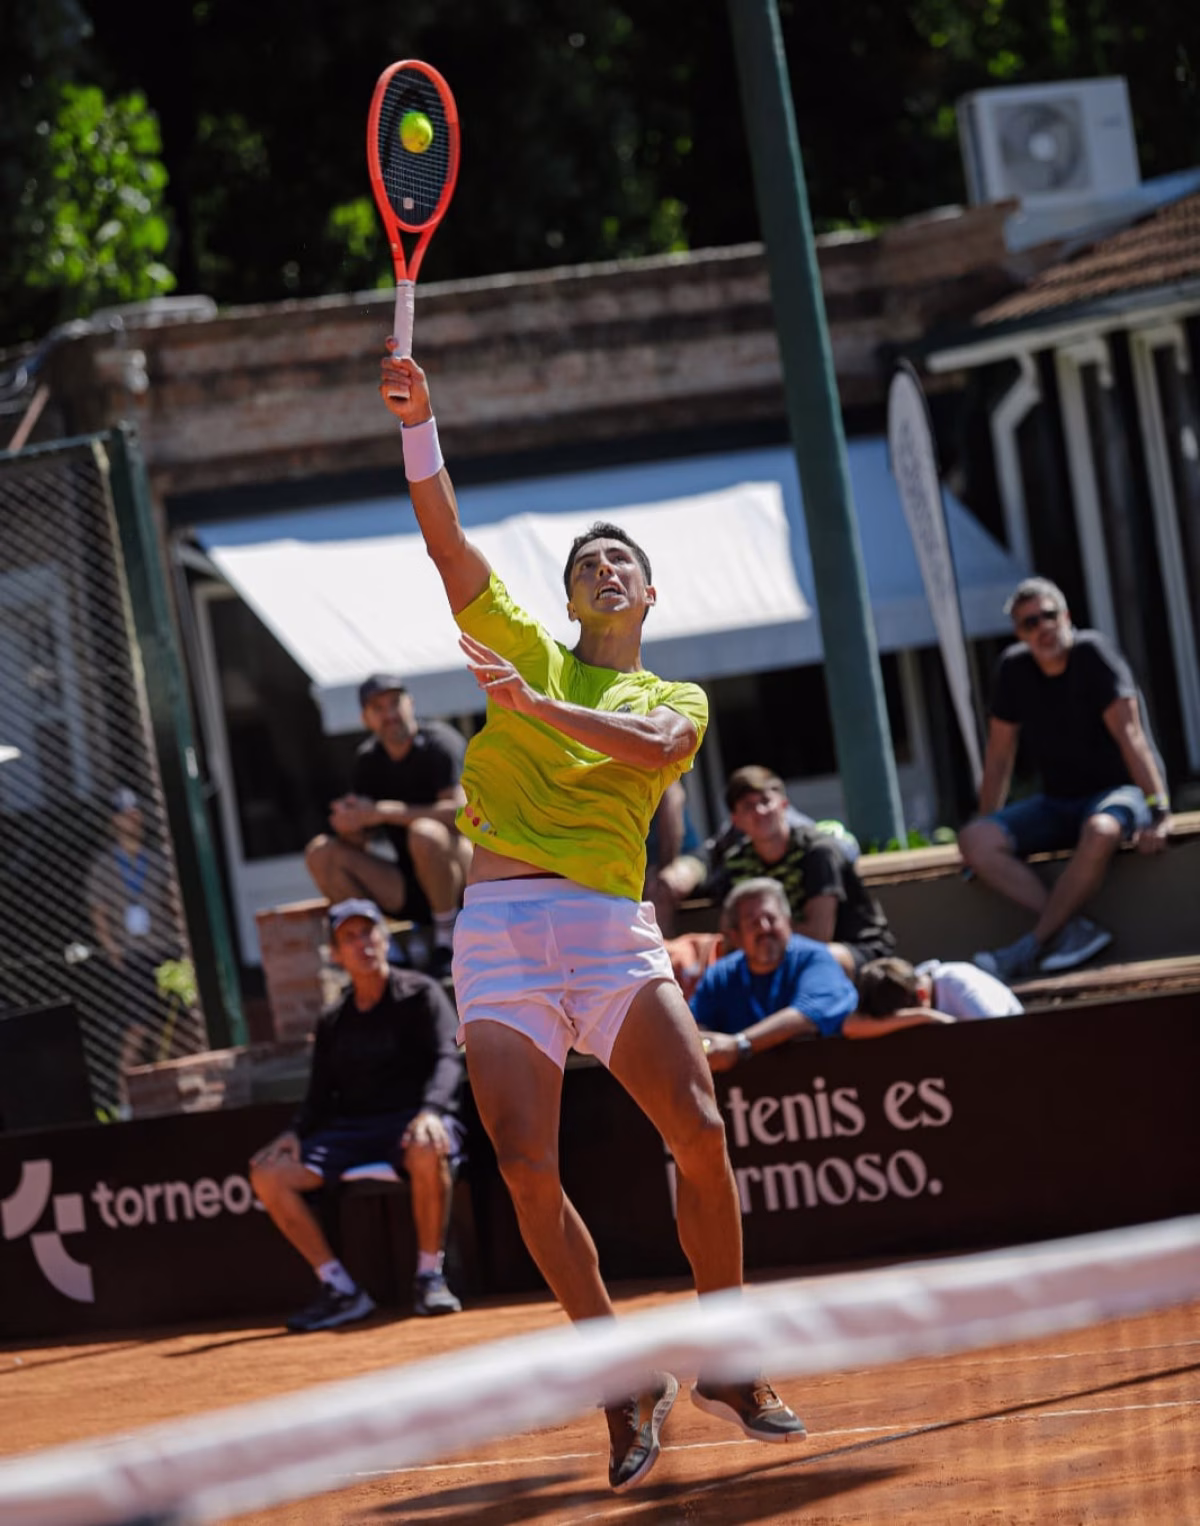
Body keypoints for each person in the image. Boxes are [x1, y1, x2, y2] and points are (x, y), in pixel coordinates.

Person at [379, 345, 806, 1494]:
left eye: (623, 560)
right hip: (502, 937)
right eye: (589, 561)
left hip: (610, 930)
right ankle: (619, 1374)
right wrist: (423, 425)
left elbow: (656, 753)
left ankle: (727, 1353)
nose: (606, 568)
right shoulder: (519, 644)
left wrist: (543, 705)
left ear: (650, 593)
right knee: (523, 1167)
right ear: (569, 596)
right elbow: (443, 535)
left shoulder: (676, 698)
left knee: (703, 1132)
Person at [249, 898, 466, 1332]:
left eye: (369, 932)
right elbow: (319, 1095)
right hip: (354, 1132)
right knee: (268, 1174)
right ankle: (341, 1289)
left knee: (427, 1145)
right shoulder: (334, 1018)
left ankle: (429, 1276)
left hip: (415, 1122)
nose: (363, 943)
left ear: (385, 940)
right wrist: (294, 1133)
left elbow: (449, 1058)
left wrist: (430, 1112)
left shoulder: (421, 993)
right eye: (350, 937)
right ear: (335, 954)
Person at [959, 577, 1171, 983]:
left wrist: (1158, 808)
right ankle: (1070, 930)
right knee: (974, 839)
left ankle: (1027, 948)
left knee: (1101, 828)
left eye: (1048, 616)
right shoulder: (1014, 669)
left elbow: (1132, 736)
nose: (1042, 628)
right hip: (1057, 801)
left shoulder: (1094, 654)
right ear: (1019, 634)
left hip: (1116, 793)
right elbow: (1000, 755)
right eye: (1029, 623)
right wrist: (986, 825)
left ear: (1067, 616)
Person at [305, 675, 472, 979]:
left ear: (411, 703)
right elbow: (361, 842)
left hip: (462, 880)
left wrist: (386, 812)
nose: (389, 714)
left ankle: (447, 941)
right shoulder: (368, 760)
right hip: (406, 885)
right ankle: (389, 951)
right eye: (378, 708)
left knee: (426, 834)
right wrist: (350, 823)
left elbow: (464, 815)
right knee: (321, 852)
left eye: (395, 702)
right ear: (365, 718)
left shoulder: (440, 743)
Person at [666, 765, 893, 981]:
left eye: (766, 801)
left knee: (815, 959)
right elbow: (732, 935)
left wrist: (760, 936)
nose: (760, 811)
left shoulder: (819, 852)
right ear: (736, 820)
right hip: (774, 954)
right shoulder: (735, 863)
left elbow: (818, 936)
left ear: (783, 805)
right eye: (748, 806)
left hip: (852, 951)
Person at [689, 880, 859, 1067]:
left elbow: (808, 1015)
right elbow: (694, 1029)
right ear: (736, 936)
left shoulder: (815, 957)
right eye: (753, 922)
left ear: (788, 922)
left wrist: (739, 1045)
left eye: (771, 918)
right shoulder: (720, 975)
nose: (764, 927)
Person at [85, 787, 181, 1109]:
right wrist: (112, 948)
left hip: (163, 948)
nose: (133, 818)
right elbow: (98, 913)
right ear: (114, 821)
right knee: (138, 1025)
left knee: (173, 1022)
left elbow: (171, 901)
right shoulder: (103, 866)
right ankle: (123, 1100)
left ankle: (176, 1089)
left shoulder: (155, 859)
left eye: (136, 812)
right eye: (126, 814)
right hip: (132, 954)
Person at [846, 954, 1023, 1039]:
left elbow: (1000, 1040)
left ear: (922, 994)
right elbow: (851, 1026)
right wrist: (925, 1016)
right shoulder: (896, 988)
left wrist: (946, 1024)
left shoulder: (960, 983)